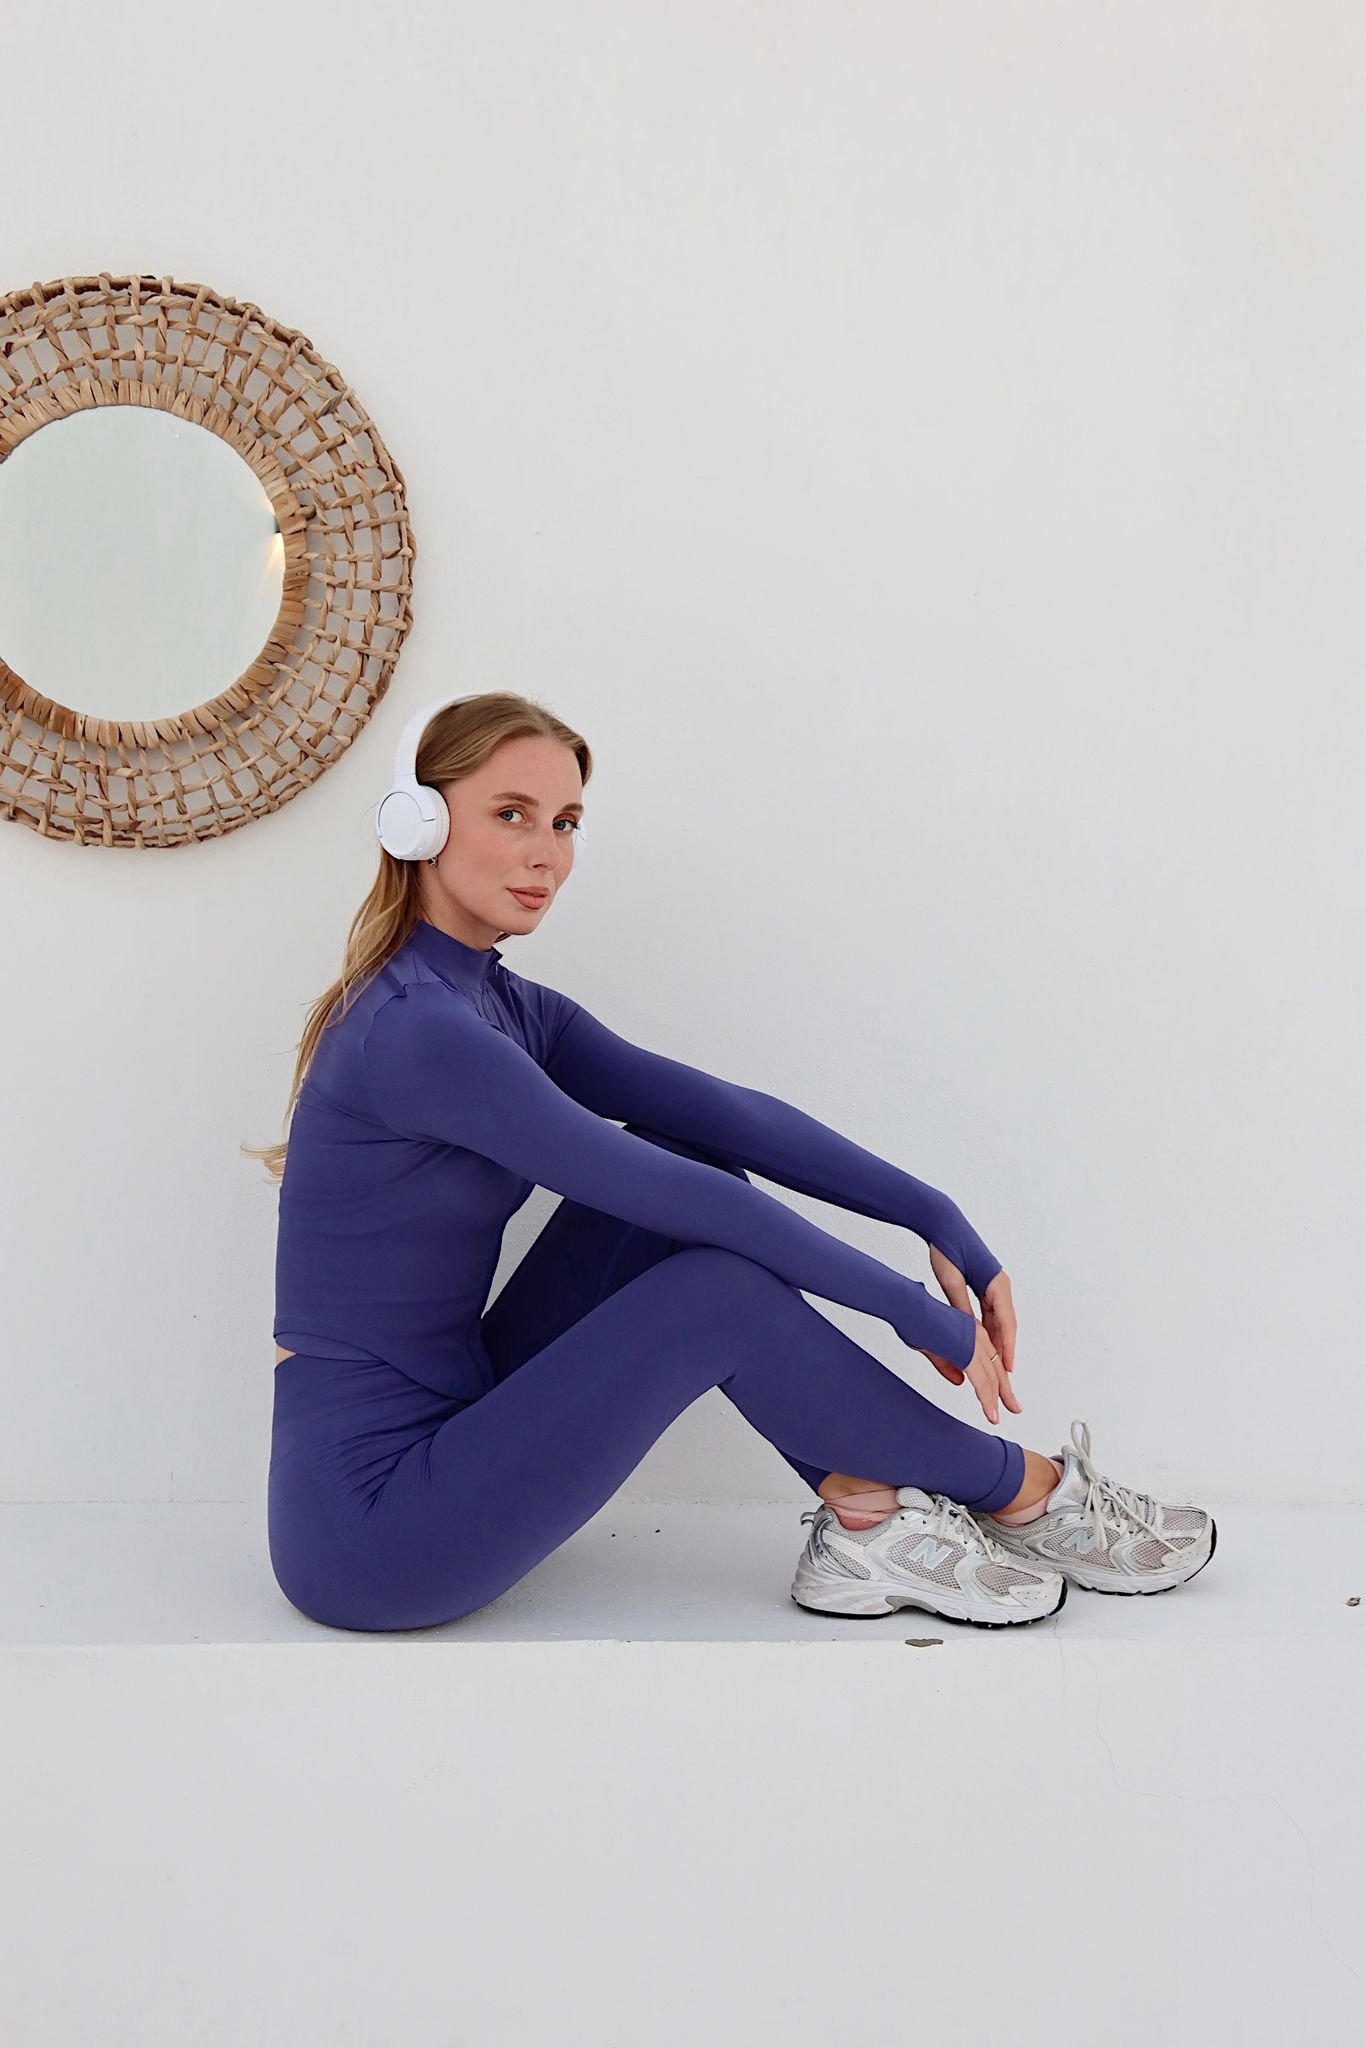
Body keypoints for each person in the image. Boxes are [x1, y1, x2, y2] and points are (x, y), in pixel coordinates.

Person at [244, 691, 1215, 1633]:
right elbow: (671, 1197)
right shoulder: (417, 1032)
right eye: (512, 814)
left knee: (683, 1147)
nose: (548, 852)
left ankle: (866, 1519)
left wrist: (934, 1215)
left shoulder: (495, 1003)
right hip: (371, 1531)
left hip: (461, 1417)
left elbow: (726, 1119)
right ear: (418, 820)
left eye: (567, 822)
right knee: (710, 1290)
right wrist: (910, 1309)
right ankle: (1028, 1492)